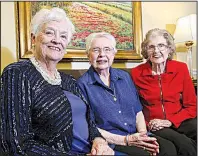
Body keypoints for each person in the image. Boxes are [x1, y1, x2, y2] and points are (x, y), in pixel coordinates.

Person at [0, 8, 114, 156]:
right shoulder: (18, 73)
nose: (57, 40)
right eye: (49, 32)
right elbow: (16, 143)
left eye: (63, 36)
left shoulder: (69, 80)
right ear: (33, 38)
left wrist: (99, 140)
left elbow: (89, 121)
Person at [77, 32, 177, 155]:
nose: (102, 54)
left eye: (107, 49)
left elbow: (137, 110)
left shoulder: (124, 77)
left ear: (114, 53)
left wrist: (142, 136)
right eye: (96, 50)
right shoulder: (82, 85)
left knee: (168, 148)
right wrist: (127, 140)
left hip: (136, 134)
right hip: (113, 140)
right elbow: (89, 126)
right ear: (88, 54)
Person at [131, 28, 197, 156]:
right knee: (184, 144)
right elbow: (133, 108)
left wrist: (171, 121)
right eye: (151, 47)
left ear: (169, 48)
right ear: (146, 50)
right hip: (155, 124)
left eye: (161, 45)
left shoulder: (181, 68)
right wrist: (146, 125)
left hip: (179, 120)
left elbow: (192, 105)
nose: (156, 51)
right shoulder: (136, 73)